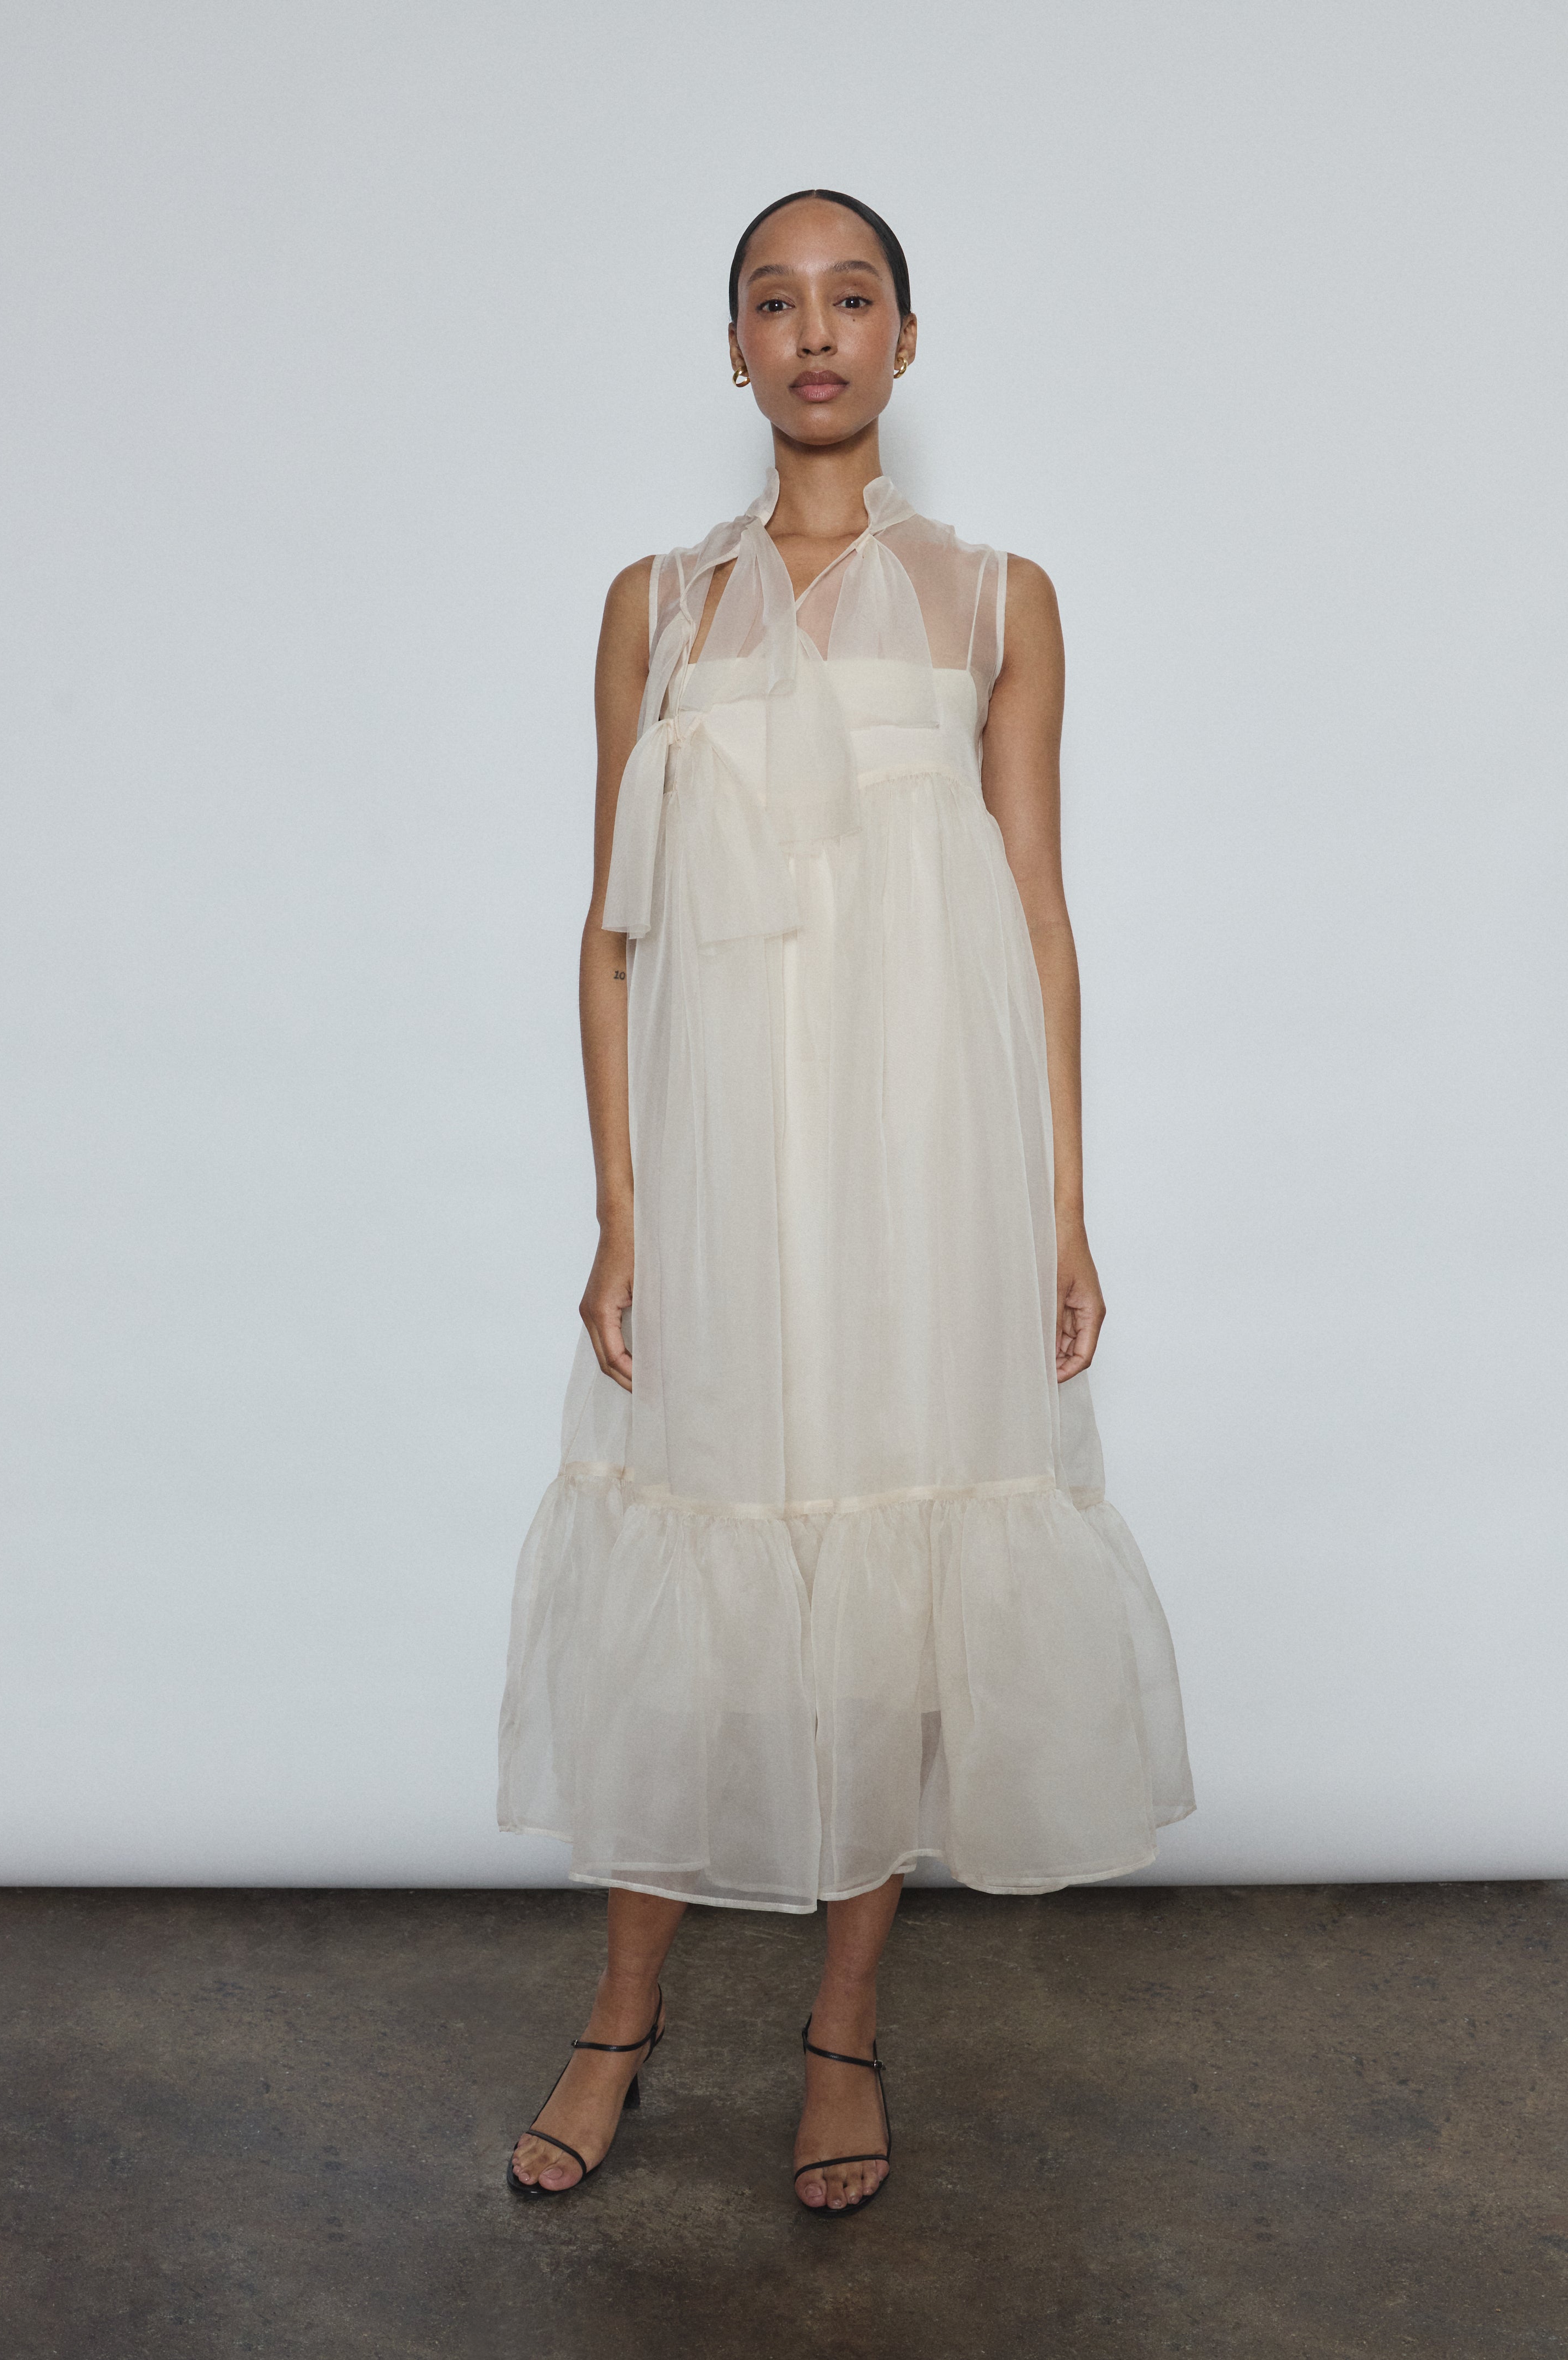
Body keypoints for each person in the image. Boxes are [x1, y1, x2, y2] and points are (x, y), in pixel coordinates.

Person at [498, 189, 1195, 2216]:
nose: (815, 332)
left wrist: (1060, 1207)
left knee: (891, 1594)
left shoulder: (996, 600)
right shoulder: (657, 605)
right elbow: (610, 933)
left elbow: (1038, 914)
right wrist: (622, 1211)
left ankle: (841, 2037)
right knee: (693, 1587)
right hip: (722, 1172)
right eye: (775, 302)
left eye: (853, 297)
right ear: (733, 349)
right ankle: (619, 2023)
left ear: (905, 336)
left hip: (922, 1174)